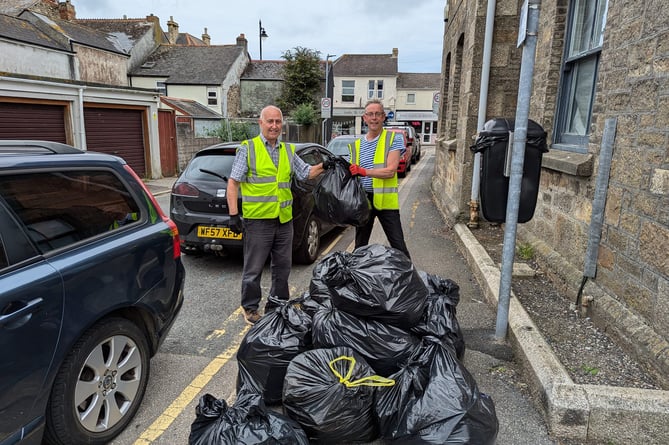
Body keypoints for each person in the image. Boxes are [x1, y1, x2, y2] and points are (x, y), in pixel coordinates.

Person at [226, 105, 328, 324]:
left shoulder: (288, 151)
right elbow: (233, 183)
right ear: (261, 123)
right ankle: (250, 307)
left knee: (283, 266)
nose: (274, 126)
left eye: (278, 122)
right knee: (253, 269)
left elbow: (306, 173)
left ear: (282, 125)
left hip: (284, 220)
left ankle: (278, 304)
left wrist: (325, 165)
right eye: (269, 121)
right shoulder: (249, 149)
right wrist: (234, 215)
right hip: (258, 220)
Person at [348, 98, 411, 259]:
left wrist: (364, 172)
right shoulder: (355, 145)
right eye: (370, 114)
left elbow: (390, 171)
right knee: (360, 247)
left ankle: (411, 281)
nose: (374, 118)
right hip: (364, 201)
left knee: (398, 246)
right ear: (365, 118)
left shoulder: (393, 139)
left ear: (383, 117)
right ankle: (358, 280)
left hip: (386, 202)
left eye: (377, 114)